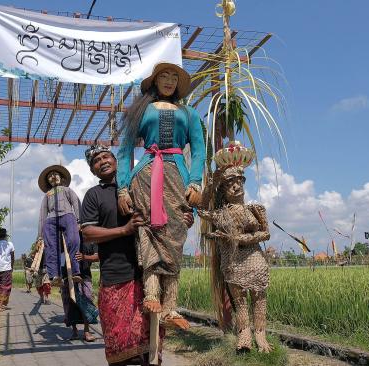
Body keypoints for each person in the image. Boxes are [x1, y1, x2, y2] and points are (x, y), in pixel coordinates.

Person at [81, 145, 193, 366]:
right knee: (119, 347)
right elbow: (87, 232)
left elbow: (169, 209)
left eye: (106, 156)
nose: (102, 161)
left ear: (117, 160)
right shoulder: (94, 195)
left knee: (149, 349)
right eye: (96, 160)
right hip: (116, 277)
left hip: (149, 276)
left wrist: (185, 219)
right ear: (93, 170)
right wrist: (124, 230)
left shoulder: (142, 183)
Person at [116, 62, 205, 328]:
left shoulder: (189, 113)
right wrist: (122, 187)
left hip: (179, 176)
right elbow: (124, 151)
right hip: (144, 176)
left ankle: (171, 307)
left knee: (175, 235)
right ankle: (151, 295)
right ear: (154, 82)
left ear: (179, 85)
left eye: (173, 78)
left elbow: (199, 151)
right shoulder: (141, 111)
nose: (168, 81)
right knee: (148, 229)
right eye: (163, 76)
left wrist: (197, 182)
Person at [199, 160, 272, 353]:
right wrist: (211, 184)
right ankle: (244, 335)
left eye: (239, 181)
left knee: (259, 298)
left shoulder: (255, 209)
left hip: (254, 258)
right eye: (230, 183)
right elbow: (201, 210)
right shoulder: (220, 214)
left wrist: (240, 238)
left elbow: (266, 233)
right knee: (239, 301)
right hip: (232, 262)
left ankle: (261, 334)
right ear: (223, 190)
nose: (236, 186)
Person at [37, 165, 82, 285]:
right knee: (51, 246)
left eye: (55, 174)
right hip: (51, 219)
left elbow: (76, 203)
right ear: (48, 181)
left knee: (73, 240)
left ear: (61, 178)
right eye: (50, 176)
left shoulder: (67, 190)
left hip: (67, 215)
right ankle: (54, 275)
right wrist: (40, 236)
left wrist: (79, 221)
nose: (52, 177)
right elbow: (42, 215)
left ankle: (75, 271)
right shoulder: (47, 195)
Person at [62, 239, 98, 342]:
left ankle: (86, 330)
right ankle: (74, 331)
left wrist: (84, 257)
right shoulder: (66, 238)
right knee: (70, 303)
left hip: (85, 276)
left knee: (86, 302)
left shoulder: (90, 240)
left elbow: (97, 256)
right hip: (67, 276)